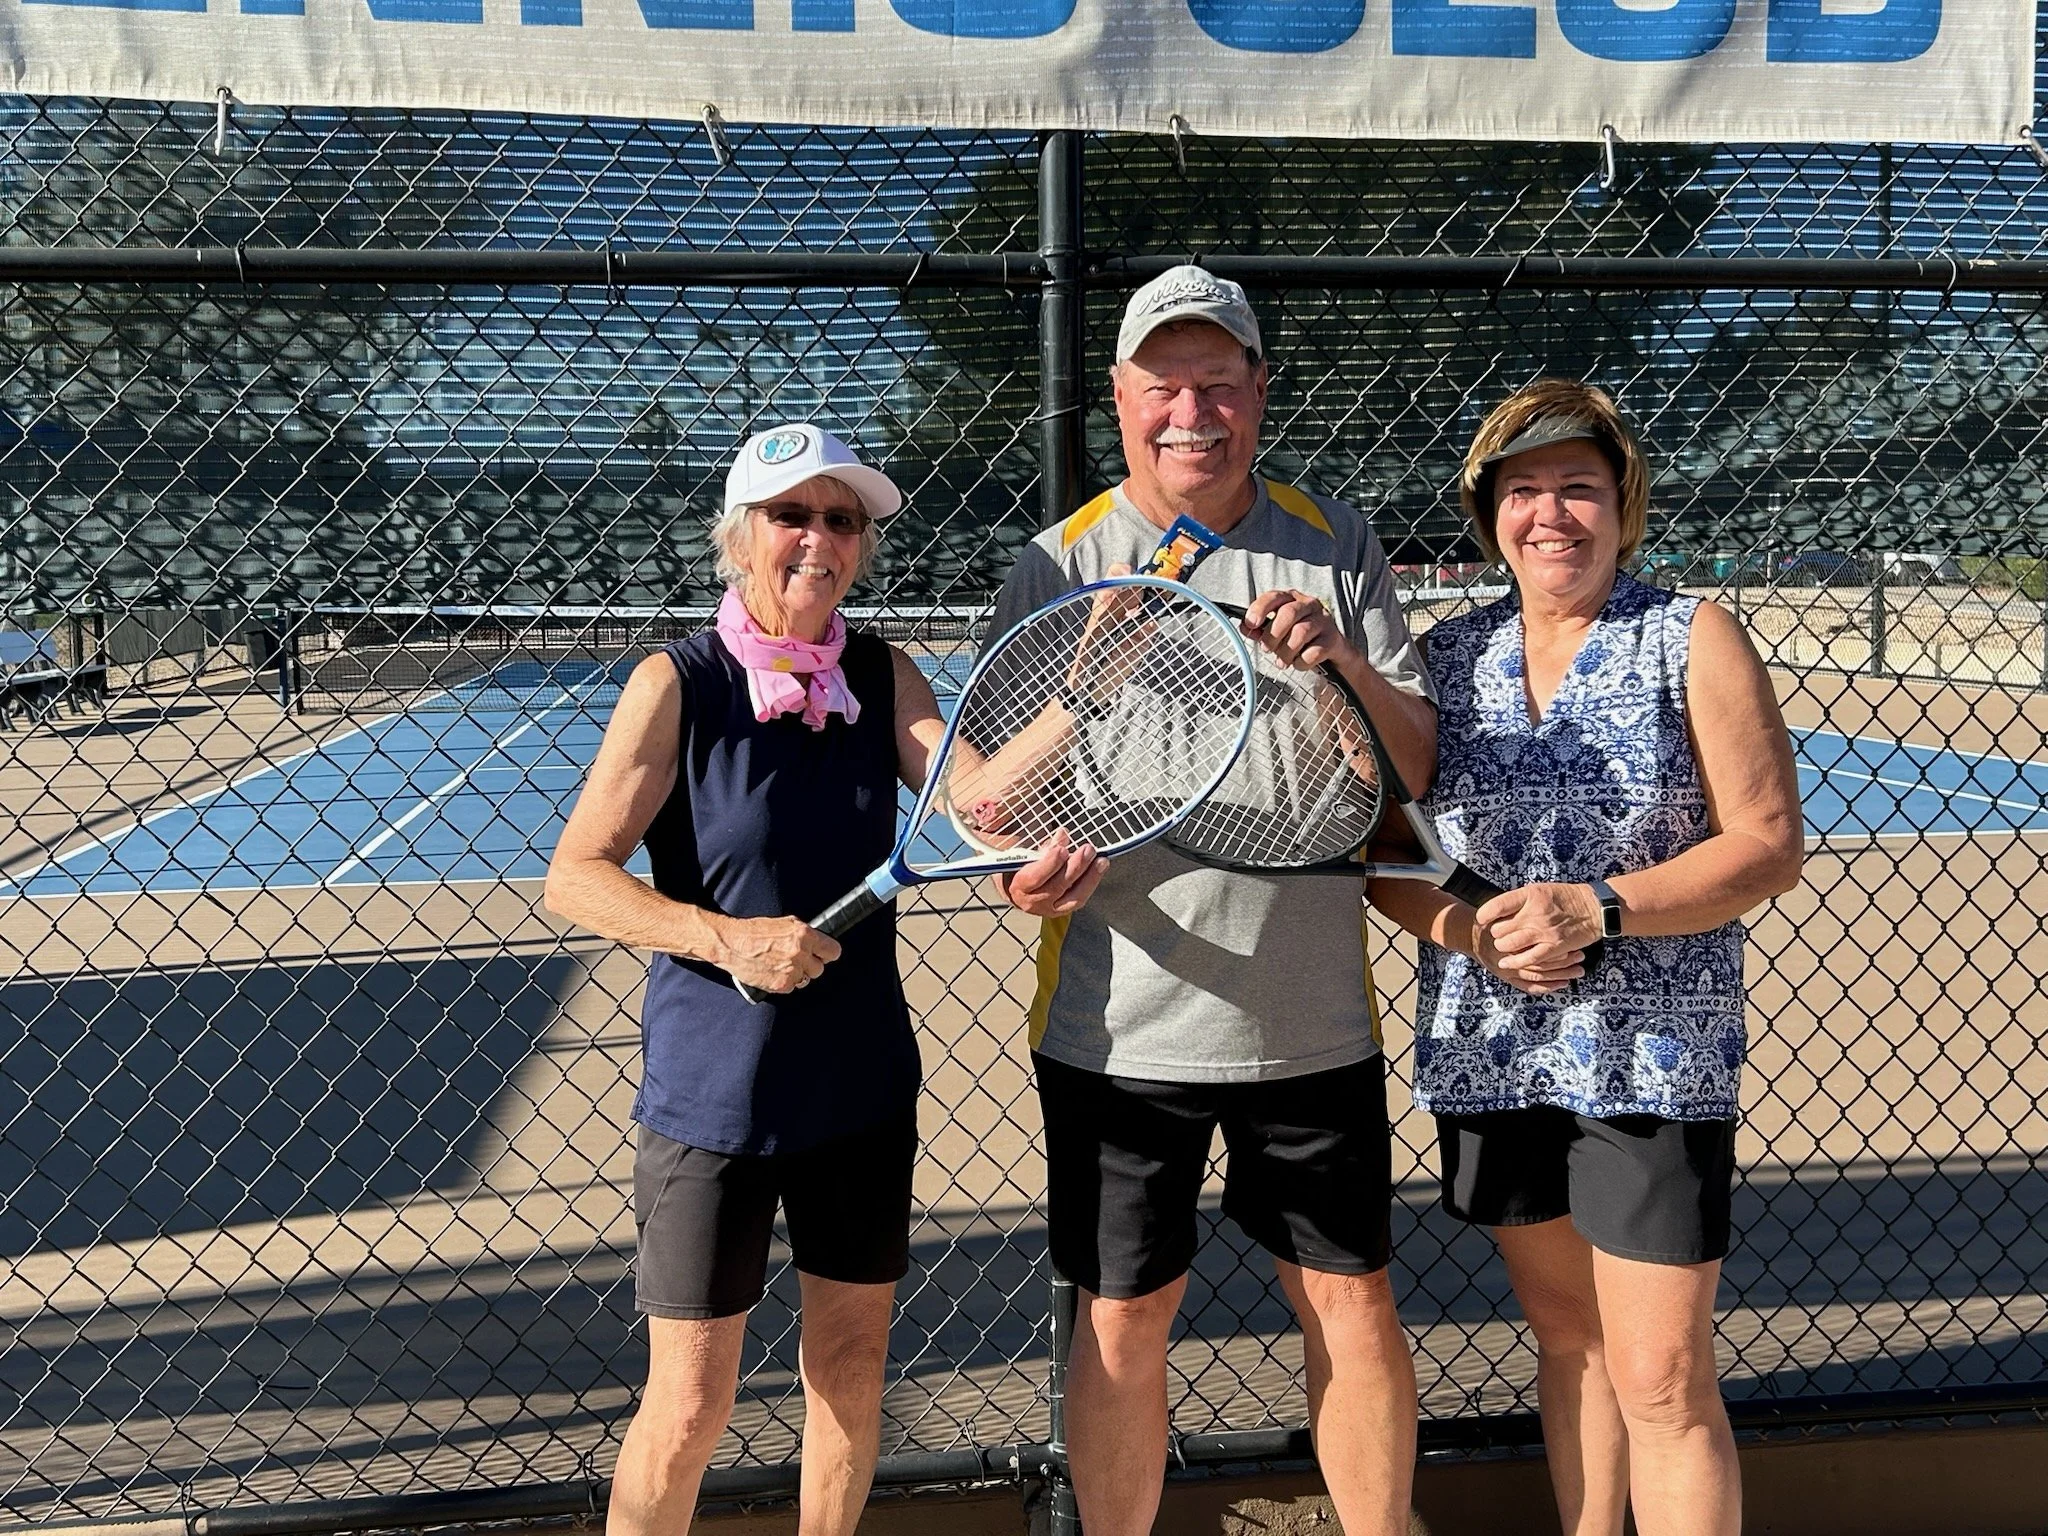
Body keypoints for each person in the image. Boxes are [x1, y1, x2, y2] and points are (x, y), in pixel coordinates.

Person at [543, 423, 1100, 1536]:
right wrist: (725, 938)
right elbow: (576, 880)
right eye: (791, 515)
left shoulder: (881, 672)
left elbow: (978, 804)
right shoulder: (677, 684)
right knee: (693, 1400)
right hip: (715, 1098)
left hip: (857, 1086)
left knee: (848, 1366)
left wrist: (1090, 683)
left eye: (842, 521)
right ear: (739, 538)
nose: (818, 538)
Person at [993, 266, 1438, 1536]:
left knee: (1348, 1303)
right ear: (1122, 397)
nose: (1191, 411)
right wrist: (1036, 855)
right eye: (1163, 385)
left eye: (1218, 384)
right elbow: (990, 817)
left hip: (1308, 1026)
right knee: (1125, 1317)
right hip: (1118, 1029)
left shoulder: (1333, 540)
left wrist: (1340, 662)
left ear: (1256, 394)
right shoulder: (1059, 560)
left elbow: (1409, 770)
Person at [1370, 380, 1804, 1536]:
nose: (1549, 514)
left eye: (1575, 487)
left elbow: (1765, 845)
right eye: (1522, 492)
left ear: (1621, 504)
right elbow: (1386, 859)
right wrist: (1475, 934)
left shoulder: (1689, 635)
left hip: (1652, 1060)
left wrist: (1597, 908)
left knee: (1659, 1373)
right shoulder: (1441, 661)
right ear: (1486, 515)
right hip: (1493, 1051)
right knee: (1567, 1344)